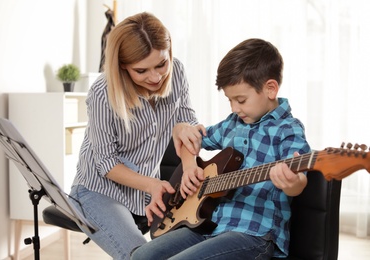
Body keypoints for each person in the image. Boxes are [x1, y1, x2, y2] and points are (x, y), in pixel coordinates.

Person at [131, 38, 311, 259]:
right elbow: (189, 138)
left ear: (270, 89)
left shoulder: (289, 130)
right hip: (210, 227)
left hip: (253, 235)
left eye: (241, 100)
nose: (235, 108)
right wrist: (188, 163)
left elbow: (299, 181)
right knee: (140, 256)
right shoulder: (232, 124)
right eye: (230, 100)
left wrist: (292, 182)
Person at [68, 12, 202, 259]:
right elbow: (107, 164)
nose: (155, 77)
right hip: (99, 189)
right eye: (141, 70)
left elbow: (187, 124)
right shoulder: (102, 93)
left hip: (146, 192)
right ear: (123, 66)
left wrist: (189, 165)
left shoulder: (178, 72)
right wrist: (153, 184)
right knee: (140, 256)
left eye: (162, 64)